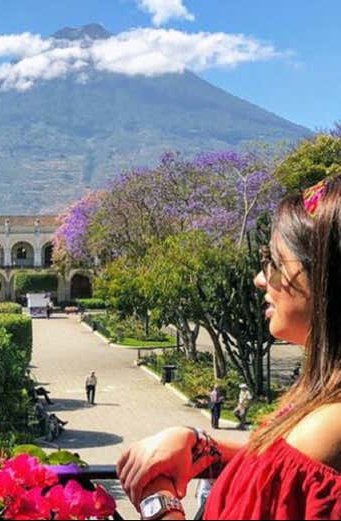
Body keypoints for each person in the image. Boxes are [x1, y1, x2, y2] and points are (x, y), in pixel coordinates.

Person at [116, 178, 341, 520]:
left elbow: (292, 477)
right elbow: (274, 468)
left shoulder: (328, 428)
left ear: (327, 278)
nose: (260, 279)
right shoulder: (323, 409)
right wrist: (205, 447)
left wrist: (158, 500)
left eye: (275, 263)